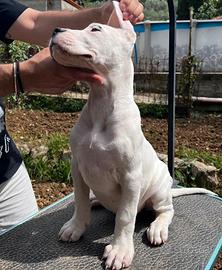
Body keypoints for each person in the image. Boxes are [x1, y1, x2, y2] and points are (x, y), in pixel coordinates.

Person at [0, 0, 144, 234]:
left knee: (25, 244)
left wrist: (102, 13)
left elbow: (34, 21)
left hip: (5, 170)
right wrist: (18, 77)